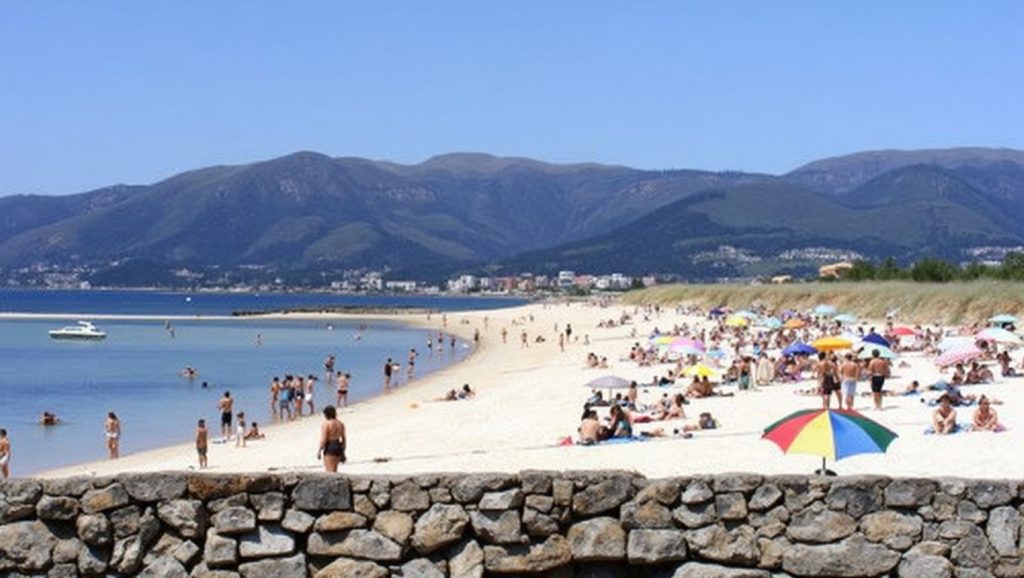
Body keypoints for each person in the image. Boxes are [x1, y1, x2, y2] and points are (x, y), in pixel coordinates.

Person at [318, 405, 347, 473]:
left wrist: (319, 450)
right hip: (338, 445)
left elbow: (324, 439)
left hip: (330, 446)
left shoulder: (326, 424)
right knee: (334, 470)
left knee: (329, 471)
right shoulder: (341, 424)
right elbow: (344, 439)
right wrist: (343, 452)